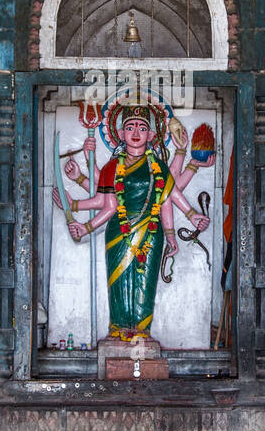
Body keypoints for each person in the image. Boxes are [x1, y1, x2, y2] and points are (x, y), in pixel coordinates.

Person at [53, 104, 209, 341]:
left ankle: (142, 333)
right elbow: (106, 202)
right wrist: (78, 211)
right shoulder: (112, 167)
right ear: (121, 134)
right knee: (119, 283)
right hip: (119, 234)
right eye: (130, 127)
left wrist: (186, 219)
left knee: (146, 283)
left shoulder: (156, 166)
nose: (136, 132)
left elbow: (169, 195)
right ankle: (118, 330)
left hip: (150, 232)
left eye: (142, 127)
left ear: (151, 135)